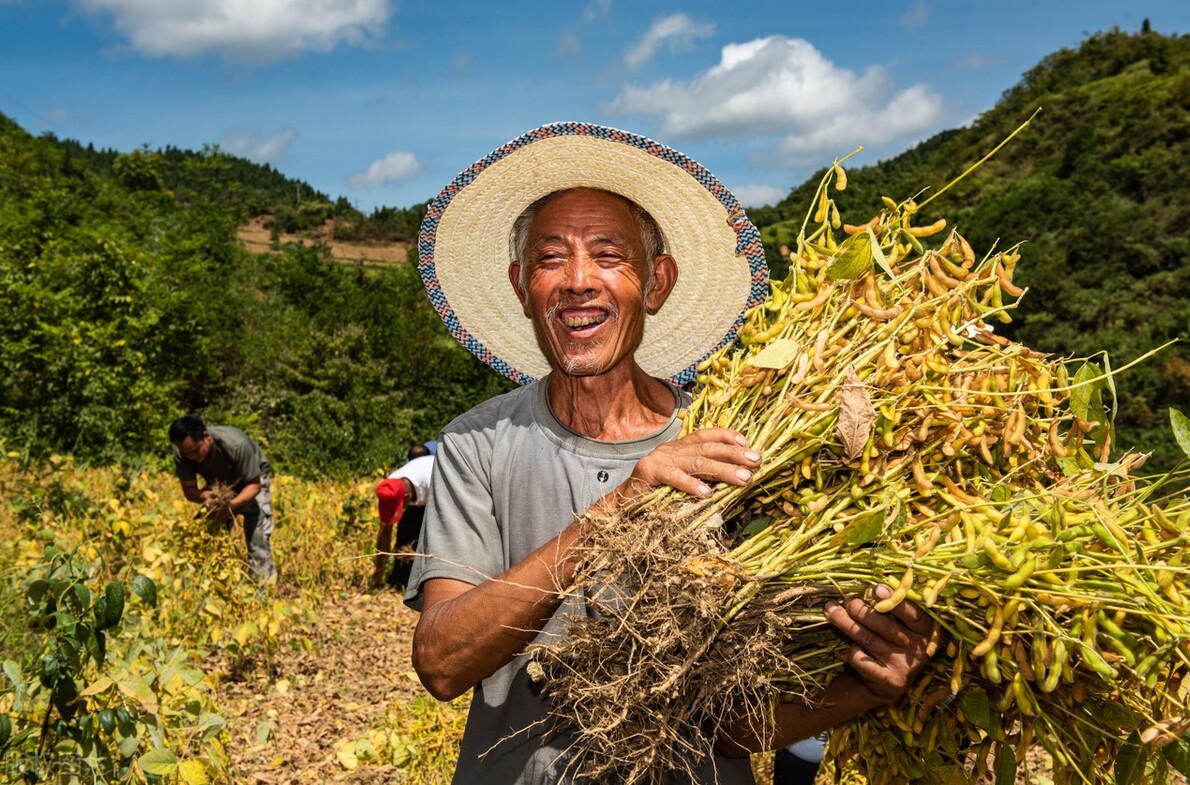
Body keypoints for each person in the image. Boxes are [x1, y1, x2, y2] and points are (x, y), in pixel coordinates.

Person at [404, 122, 937, 784]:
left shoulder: (738, 445)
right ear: (521, 285)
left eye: (607, 255)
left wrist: (868, 688)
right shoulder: (476, 444)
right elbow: (443, 661)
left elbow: (734, 725)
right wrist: (619, 507)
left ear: (656, 283)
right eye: (549, 259)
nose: (576, 280)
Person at [169, 415, 278, 582]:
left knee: (257, 536)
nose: (191, 456)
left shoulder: (235, 444)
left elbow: (254, 485)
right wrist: (206, 496)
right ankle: (210, 586)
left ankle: (263, 592)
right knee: (206, 535)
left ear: (206, 437)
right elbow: (189, 491)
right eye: (186, 453)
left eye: (195, 450)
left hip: (251, 478)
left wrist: (229, 507)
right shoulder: (182, 452)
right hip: (218, 484)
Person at [373, 440, 437, 589]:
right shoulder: (390, 486)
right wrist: (379, 569)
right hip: (418, 492)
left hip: (442, 488)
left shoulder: (433, 481)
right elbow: (385, 531)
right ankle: (401, 579)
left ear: (407, 497)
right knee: (405, 533)